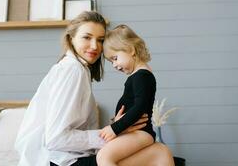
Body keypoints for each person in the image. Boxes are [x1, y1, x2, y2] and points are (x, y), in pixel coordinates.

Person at [15, 11, 174, 166]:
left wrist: (116, 126)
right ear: (71, 38)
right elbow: (56, 139)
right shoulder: (73, 70)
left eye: (100, 40)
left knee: (160, 152)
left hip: (65, 157)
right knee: (159, 153)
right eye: (87, 37)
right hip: (60, 161)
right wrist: (113, 131)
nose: (95, 46)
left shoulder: (77, 68)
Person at [96, 24, 161, 166]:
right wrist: (116, 122)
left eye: (115, 58)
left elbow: (139, 108)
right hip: (136, 132)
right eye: (111, 61)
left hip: (141, 133)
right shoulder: (139, 76)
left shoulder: (141, 76)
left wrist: (114, 128)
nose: (114, 65)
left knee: (103, 157)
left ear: (131, 50)